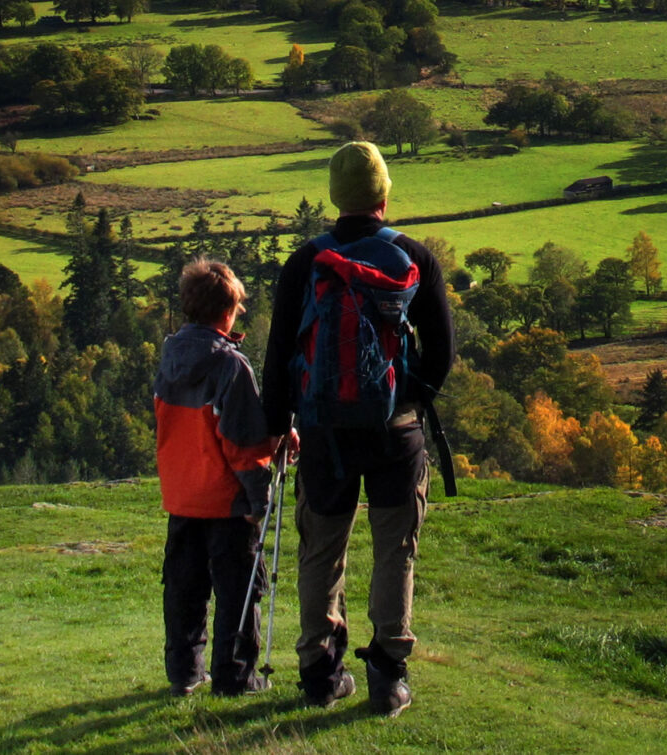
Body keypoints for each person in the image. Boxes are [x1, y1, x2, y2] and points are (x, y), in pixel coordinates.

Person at [262, 140, 454, 717]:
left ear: (334, 196)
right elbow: (441, 352)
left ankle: (320, 671)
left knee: (322, 546)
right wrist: (407, 400)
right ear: (384, 194)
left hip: (323, 431)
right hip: (396, 431)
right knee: (396, 545)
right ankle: (389, 674)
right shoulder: (414, 256)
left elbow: (277, 357)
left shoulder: (305, 262)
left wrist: (279, 426)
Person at [154, 258, 290, 697]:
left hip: (182, 494)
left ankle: (184, 672)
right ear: (229, 310)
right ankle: (235, 677)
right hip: (226, 501)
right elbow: (243, 446)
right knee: (238, 590)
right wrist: (259, 499)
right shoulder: (231, 367)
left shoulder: (169, 358)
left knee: (183, 589)